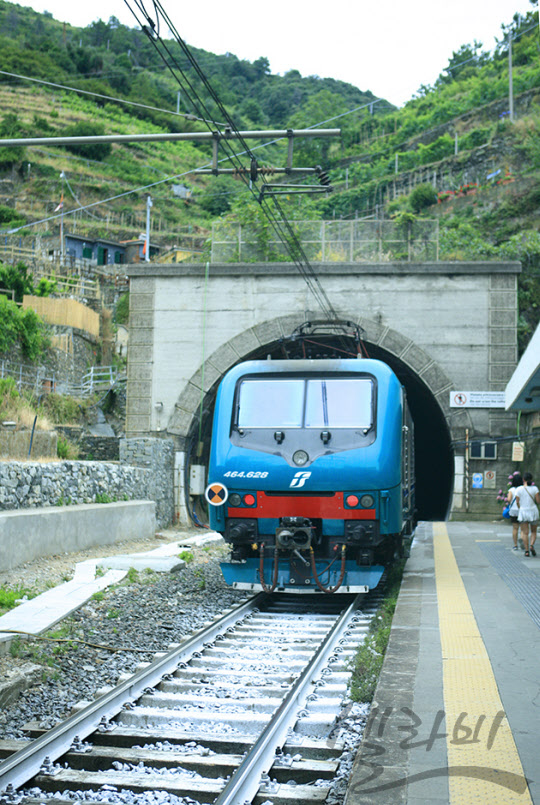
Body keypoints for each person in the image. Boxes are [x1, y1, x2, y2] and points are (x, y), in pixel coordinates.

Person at [515, 472, 540, 557]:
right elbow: (538, 501)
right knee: (533, 531)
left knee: (524, 532)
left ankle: (526, 550)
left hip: (523, 512)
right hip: (533, 512)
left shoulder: (519, 489)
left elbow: (517, 501)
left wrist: (520, 507)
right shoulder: (535, 489)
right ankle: (531, 545)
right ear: (531, 480)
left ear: (523, 479)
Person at [506, 472, 523, 550]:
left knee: (515, 528)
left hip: (513, 510)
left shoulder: (511, 490)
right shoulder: (523, 489)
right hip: (522, 510)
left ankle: (515, 545)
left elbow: (509, 499)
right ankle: (523, 541)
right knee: (523, 528)